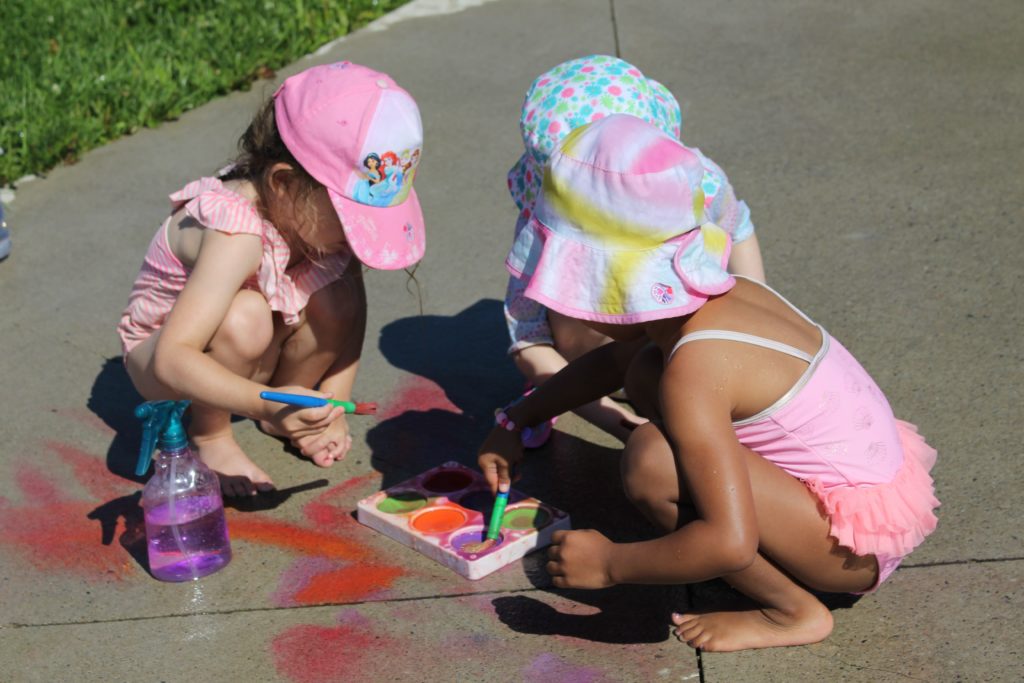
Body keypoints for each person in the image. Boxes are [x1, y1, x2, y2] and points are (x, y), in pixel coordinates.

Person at [478, 114, 939, 651]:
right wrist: (518, 418)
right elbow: (614, 364)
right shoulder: (718, 297)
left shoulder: (698, 370)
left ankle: (791, 611)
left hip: (848, 551)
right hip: (865, 499)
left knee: (651, 462)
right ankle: (744, 537)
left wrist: (612, 563)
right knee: (646, 369)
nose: (571, 317)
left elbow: (729, 541)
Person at [118, 62, 425, 496]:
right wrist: (265, 403)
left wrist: (332, 403)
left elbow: (351, 314)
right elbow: (172, 357)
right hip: (163, 358)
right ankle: (211, 434)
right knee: (247, 317)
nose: (358, 236)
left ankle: (287, 402)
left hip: (245, 349)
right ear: (283, 183)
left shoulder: (314, 221)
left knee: (336, 294)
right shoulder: (235, 231)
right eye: (352, 221)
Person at [503, 55, 766, 446]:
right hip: (598, 367)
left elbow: (737, 226)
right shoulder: (549, 230)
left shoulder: (701, 186)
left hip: (681, 350)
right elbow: (528, 338)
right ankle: (623, 381)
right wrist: (617, 420)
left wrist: (753, 324)